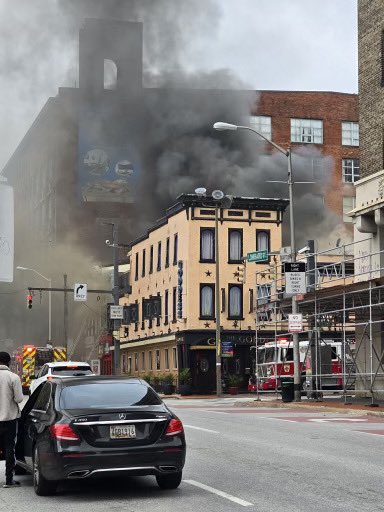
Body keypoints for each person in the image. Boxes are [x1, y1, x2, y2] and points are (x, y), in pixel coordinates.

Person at [0, 351, 23, 488]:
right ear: (9, 362)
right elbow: (19, 399)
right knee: (9, 448)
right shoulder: (13, 377)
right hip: (9, 419)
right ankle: (9, 480)